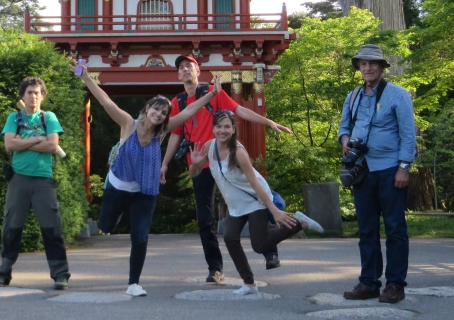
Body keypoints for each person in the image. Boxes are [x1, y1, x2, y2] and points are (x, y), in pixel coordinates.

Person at [72, 59, 223, 297]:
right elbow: (104, 100)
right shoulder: (128, 124)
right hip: (118, 187)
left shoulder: (162, 133)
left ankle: (133, 283)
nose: (160, 114)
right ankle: (119, 212)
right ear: (147, 108)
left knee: (140, 237)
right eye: (156, 109)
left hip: (145, 191)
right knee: (106, 226)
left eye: (164, 112)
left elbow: (189, 111)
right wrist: (86, 78)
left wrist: (212, 93)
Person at [161, 55, 293, 281]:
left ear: (197, 70)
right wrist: (164, 164)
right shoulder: (177, 102)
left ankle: (270, 250)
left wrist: (268, 122)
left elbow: (239, 111)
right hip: (200, 163)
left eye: (188, 66)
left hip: (224, 159)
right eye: (180, 68)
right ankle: (215, 269)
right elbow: (175, 134)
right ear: (178, 74)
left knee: (255, 197)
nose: (184, 70)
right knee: (205, 219)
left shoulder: (213, 92)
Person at [189, 110, 324, 295]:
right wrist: (196, 164)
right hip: (236, 204)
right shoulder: (209, 147)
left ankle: (299, 223)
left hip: (256, 199)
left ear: (233, 128)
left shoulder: (239, 153)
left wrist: (274, 210)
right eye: (219, 126)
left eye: (227, 126)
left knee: (259, 245)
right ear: (213, 128)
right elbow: (194, 174)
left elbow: (255, 182)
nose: (222, 130)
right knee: (229, 238)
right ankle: (249, 284)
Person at [338, 44, 416, 304]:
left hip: (391, 170)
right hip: (362, 170)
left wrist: (404, 167)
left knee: (395, 229)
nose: (367, 68)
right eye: (363, 64)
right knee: (366, 230)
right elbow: (344, 125)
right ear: (359, 68)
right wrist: (346, 140)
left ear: (382, 67)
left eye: (372, 63)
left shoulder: (397, 95)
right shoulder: (354, 96)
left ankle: (395, 285)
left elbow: (408, 134)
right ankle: (369, 283)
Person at [0, 76, 70, 290]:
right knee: (11, 227)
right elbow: (9, 145)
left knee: (52, 228)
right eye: (29, 92)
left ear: (42, 96)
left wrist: (22, 143)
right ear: (22, 96)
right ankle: (3, 273)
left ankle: (60, 274)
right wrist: (37, 139)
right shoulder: (14, 118)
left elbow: (53, 146)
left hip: (43, 180)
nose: (33, 96)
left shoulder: (49, 117)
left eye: (37, 92)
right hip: (19, 179)